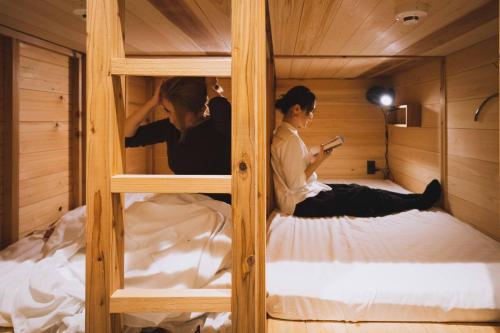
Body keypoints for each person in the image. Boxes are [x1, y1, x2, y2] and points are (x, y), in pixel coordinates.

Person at [271, 85, 441, 218]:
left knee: (355, 188)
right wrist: (320, 160)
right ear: (296, 109)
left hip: (306, 195)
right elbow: (296, 184)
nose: (312, 117)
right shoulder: (288, 139)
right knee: (363, 197)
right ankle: (419, 202)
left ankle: (415, 198)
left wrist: (313, 155)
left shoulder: (287, 134)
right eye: (311, 111)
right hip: (301, 202)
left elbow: (294, 167)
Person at [125, 76, 231, 203]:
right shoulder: (172, 127)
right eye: (167, 111)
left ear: (201, 111)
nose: (172, 119)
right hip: (183, 202)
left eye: (180, 114)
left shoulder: (220, 128)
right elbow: (126, 137)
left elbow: (224, 114)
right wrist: (152, 103)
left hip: (217, 207)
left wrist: (210, 87)